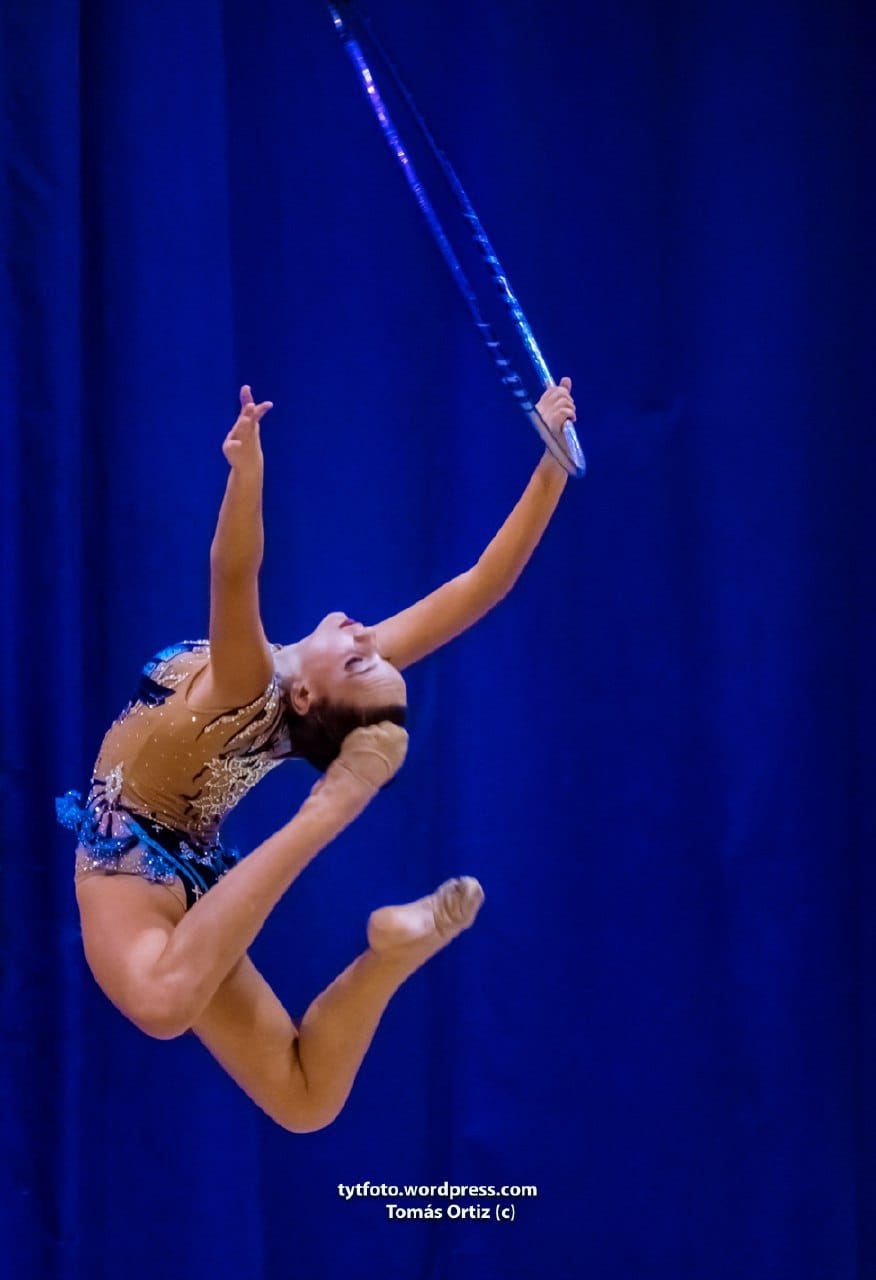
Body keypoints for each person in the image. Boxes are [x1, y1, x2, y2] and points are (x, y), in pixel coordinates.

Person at [56, 377, 577, 1132]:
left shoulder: (250, 680)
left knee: (165, 1006)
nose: (369, 637)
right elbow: (478, 588)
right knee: (306, 1101)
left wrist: (247, 475)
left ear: (306, 698)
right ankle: (390, 955)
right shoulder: (308, 689)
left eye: (362, 659)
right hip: (198, 872)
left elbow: (234, 570)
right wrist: (551, 465)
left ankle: (321, 817)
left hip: (132, 870)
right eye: (374, 652)